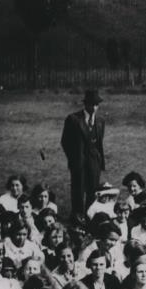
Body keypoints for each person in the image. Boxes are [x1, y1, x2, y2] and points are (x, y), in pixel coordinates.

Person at [60, 89, 105, 223]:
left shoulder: (100, 121)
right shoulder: (73, 119)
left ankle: (90, 217)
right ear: (85, 104)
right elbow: (65, 141)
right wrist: (73, 159)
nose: (94, 108)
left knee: (93, 191)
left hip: (94, 161)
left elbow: (99, 142)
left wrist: (99, 160)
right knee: (78, 191)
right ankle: (77, 218)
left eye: (97, 105)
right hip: (78, 162)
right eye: (92, 104)